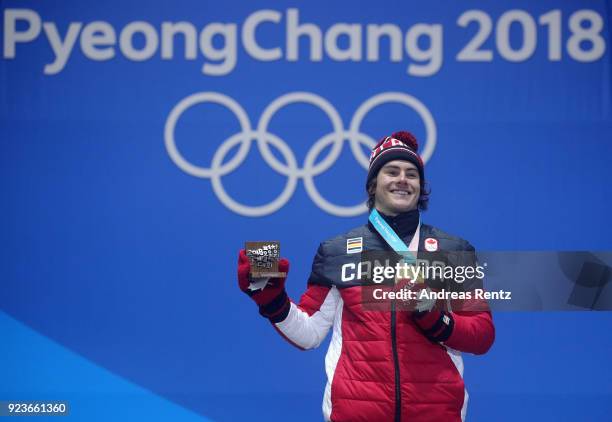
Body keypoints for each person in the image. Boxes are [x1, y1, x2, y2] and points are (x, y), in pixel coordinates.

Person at [237, 131, 495, 422]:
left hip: (437, 413)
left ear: (421, 187)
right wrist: (272, 300)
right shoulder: (337, 251)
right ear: (373, 185)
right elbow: (309, 332)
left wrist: (437, 320)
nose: (402, 180)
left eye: (412, 174)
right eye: (392, 171)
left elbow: (482, 335)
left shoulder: (454, 249)